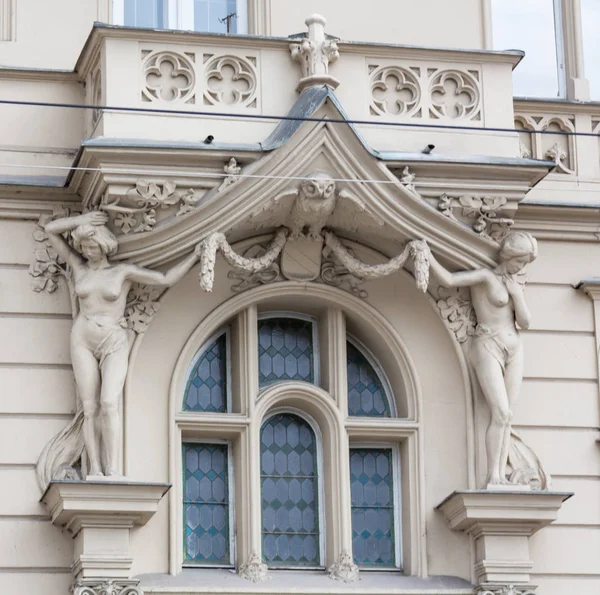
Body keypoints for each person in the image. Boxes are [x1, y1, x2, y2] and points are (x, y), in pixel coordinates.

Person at [44, 210, 201, 478]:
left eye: (93, 247)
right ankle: (94, 468)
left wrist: (196, 255)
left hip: (113, 340)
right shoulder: (79, 267)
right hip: (82, 338)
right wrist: (81, 222)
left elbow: (165, 279)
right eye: (85, 247)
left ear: (104, 245)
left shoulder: (122, 271)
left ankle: (113, 467)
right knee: (90, 407)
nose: (89, 252)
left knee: (109, 402)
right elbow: (50, 229)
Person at [427, 231, 537, 486]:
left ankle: (501, 472)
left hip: (514, 348)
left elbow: (526, 322)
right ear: (509, 255)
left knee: (507, 415)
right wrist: (426, 253)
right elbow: (450, 278)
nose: (520, 267)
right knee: (499, 412)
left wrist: (517, 294)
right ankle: (493, 475)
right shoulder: (486, 277)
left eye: (524, 264)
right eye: (519, 261)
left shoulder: (514, 282)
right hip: (487, 344)